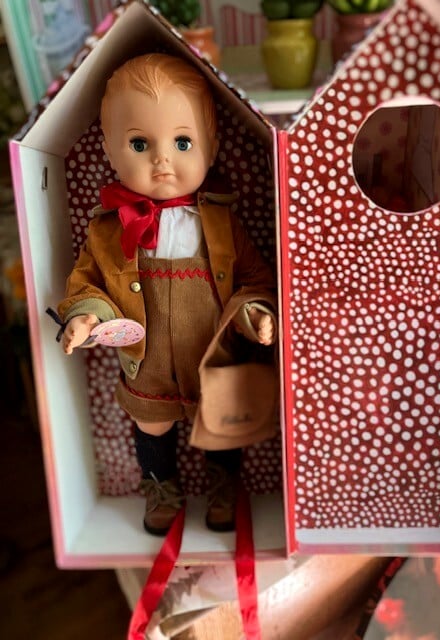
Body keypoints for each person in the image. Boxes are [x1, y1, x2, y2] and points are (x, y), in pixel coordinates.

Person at [56, 53, 277, 535]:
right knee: (151, 425)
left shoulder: (221, 223)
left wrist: (256, 314)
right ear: (110, 152)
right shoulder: (108, 231)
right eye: (140, 144)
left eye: (182, 142)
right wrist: (85, 316)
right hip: (148, 362)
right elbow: (87, 280)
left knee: (220, 419)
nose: (162, 159)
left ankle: (224, 485)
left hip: (211, 357)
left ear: (211, 148)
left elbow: (254, 278)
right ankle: (161, 488)